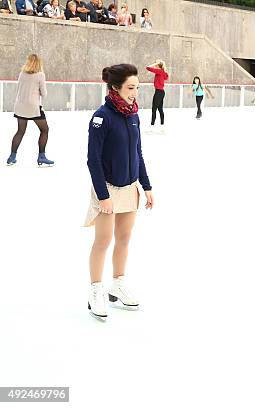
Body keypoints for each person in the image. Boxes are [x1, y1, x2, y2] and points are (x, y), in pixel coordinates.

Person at [85, 63, 154, 320]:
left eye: (137, 87)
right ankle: (95, 291)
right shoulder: (101, 117)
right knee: (103, 241)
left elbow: (138, 153)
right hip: (107, 188)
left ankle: (118, 284)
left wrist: (146, 186)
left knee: (124, 239)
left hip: (130, 187)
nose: (135, 92)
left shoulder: (133, 115)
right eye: (130, 87)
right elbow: (93, 160)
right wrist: (103, 196)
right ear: (116, 87)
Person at [6, 54, 54, 167]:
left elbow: (18, 90)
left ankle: (12, 157)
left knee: (20, 131)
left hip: (20, 106)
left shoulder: (22, 74)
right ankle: (41, 156)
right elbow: (44, 94)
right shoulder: (40, 75)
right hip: (34, 107)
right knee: (44, 130)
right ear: (39, 63)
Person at [146, 60, 169, 128]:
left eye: (156, 65)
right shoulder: (162, 72)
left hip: (159, 92)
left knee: (154, 108)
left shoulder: (159, 71)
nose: (155, 66)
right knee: (160, 108)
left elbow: (148, 67)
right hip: (161, 92)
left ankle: (152, 124)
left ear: (158, 66)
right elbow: (166, 77)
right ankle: (162, 123)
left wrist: (155, 63)